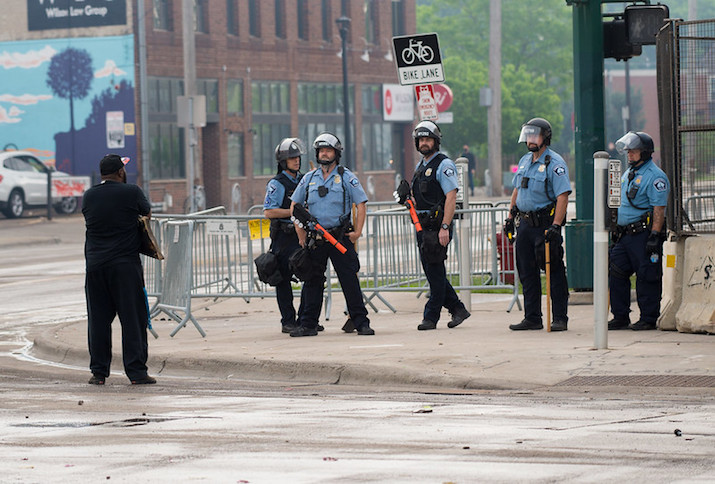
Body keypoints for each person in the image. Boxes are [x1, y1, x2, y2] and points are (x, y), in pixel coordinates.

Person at [288, 132, 374, 337]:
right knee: (312, 282)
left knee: (349, 281)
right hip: (316, 239)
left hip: (339, 238)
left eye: (328, 150)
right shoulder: (309, 178)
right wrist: (301, 235)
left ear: (336, 153)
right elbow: (295, 206)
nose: (324, 154)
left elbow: (361, 204)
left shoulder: (346, 177)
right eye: (321, 150)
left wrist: (358, 232)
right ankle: (308, 324)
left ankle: (361, 322)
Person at [82, 154, 156, 385]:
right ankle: (136, 373)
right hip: (124, 266)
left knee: (98, 321)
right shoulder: (131, 192)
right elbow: (146, 213)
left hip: (95, 267)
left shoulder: (89, 195)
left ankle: (99, 373)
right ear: (120, 172)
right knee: (132, 319)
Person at [504, 117, 571, 331]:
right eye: (528, 135)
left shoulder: (555, 163)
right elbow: (517, 190)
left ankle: (559, 317)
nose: (530, 139)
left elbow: (562, 196)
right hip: (524, 224)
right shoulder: (525, 161)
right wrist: (509, 217)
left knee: (554, 272)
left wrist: (556, 225)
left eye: (535, 135)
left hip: (544, 225)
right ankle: (532, 317)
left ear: (545, 137)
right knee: (526, 272)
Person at [405, 120, 471, 331]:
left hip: (437, 226)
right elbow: (420, 196)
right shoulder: (420, 166)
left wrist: (445, 227)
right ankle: (458, 308)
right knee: (433, 271)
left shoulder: (444, 165)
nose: (424, 143)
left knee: (435, 272)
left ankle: (430, 317)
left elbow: (451, 197)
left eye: (428, 139)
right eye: (421, 139)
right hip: (422, 226)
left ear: (436, 141)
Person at [608, 131, 670, 331]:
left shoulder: (655, 177)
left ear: (645, 152)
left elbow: (659, 209)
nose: (629, 154)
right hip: (625, 235)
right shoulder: (630, 172)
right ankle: (620, 316)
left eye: (633, 151)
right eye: (628, 151)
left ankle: (648, 317)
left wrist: (654, 235)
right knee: (616, 271)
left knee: (647, 275)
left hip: (643, 235)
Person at [263, 138, 307, 334]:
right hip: (284, 236)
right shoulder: (277, 183)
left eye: (297, 157)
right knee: (283, 281)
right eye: (291, 158)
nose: (296, 161)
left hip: (303, 233)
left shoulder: (305, 179)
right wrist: (294, 212)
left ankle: (306, 318)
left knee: (310, 275)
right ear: (283, 161)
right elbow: (269, 211)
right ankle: (288, 320)